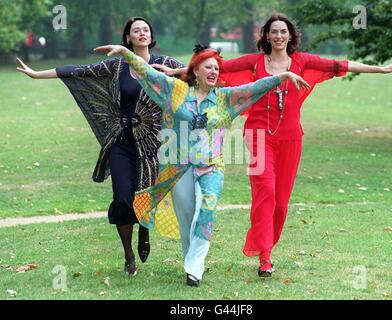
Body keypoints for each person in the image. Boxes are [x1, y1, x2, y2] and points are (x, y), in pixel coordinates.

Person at [154, 12, 392, 278]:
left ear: (290, 35)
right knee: (266, 190)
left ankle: (266, 248)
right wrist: (177, 71)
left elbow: (338, 64)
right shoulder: (254, 63)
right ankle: (265, 258)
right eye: (273, 32)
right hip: (258, 137)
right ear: (266, 36)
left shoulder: (302, 61)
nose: (278, 36)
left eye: (283, 32)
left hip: (290, 139)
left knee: (281, 203)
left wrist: (381, 68)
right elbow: (216, 67)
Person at [93, 42, 311, 286]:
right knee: (187, 218)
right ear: (195, 70)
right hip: (179, 168)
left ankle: (195, 269)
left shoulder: (225, 98)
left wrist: (282, 76)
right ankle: (191, 263)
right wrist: (126, 52)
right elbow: (149, 74)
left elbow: (254, 88)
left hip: (211, 167)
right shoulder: (176, 91)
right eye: (208, 67)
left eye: (217, 68)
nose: (214, 72)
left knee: (205, 212)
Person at [16, 17, 185, 276]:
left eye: (146, 30)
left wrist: (188, 74)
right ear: (128, 38)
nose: (141, 33)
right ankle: (129, 256)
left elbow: (197, 74)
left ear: (151, 37)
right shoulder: (117, 66)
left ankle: (144, 231)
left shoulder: (166, 64)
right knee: (122, 198)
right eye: (136, 30)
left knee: (145, 197)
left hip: (153, 143)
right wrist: (37, 74)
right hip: (121, 141)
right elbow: (79, 71)